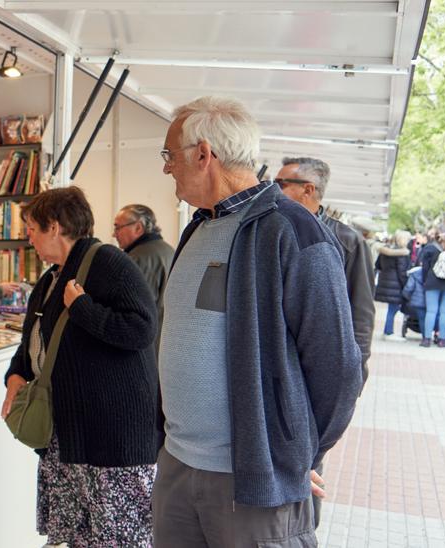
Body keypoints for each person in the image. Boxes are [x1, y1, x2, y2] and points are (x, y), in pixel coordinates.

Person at [152, 96, 362, 547]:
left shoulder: (293, 231)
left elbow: (339, 367)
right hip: (177, 464)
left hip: (251, 481)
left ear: (204, 154)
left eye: (170, 155)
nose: (167, 168)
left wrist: (297, 455)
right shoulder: (198, 227)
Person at [0, 187, 161, 546]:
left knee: (122, 538)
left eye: (31, 230)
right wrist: (15, 374)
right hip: (70, 437)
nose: (28, 239)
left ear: (54, 227)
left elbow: (141, 329)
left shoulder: (109, 263)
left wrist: (84, 307)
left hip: (111, 438)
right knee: (79, 537)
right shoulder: (50, 278)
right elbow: (35, 339)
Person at [275, 156, 375, 379]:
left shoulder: (348, 241)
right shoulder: (270, 232)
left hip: (323, 366)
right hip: (277, 364)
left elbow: (361, 311)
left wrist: (357, 372)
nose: (273, 190)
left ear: (308, 190)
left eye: (280, 184)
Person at [113, 204, 175, 300]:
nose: (114, 234)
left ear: (138, 228)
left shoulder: (138, 258)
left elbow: (137, 304)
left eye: (117, 228)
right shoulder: (169, 250)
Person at [417, 230, 445, 347]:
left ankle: (426, 339)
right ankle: (442, 340)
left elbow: (424, 267)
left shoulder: (431, 248)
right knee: (444, 312)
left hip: (432, 283)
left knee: (431, 311)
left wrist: (425, 281)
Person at [374, 230, 414, 341]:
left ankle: (387, 331)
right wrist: (406, 286)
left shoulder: (385, 250)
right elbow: (402, 272)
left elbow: (378, 265)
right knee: (393, 309)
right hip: (396, 284)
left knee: (392, 308)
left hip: (385, 282)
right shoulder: (403, 253)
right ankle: (388, 332)